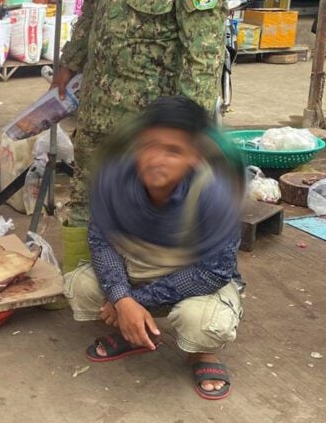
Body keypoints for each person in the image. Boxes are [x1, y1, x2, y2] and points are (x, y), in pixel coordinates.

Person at [49, 0, 227, 271]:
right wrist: (68, 62)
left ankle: (136, 301)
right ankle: (82, 289)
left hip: (151, 121)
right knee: (85, 198)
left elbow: (204, 55)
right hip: (97, 108)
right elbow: (91, 11)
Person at [63, 97, 243, 400]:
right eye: (149, 146)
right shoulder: (116, 182)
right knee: (81, 286)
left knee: (202, 323)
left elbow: (214, 272)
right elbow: (101, 240)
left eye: (173, 151)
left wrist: (131, 301)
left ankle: (202, 354)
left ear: (195, 157)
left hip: (197, 280)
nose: (157, 159)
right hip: (138, 268)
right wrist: (121, 297)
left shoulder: (215, 195)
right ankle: (135, 333)